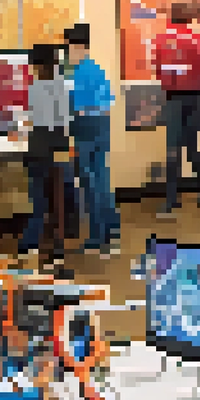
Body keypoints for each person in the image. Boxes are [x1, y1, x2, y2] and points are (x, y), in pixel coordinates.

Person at [63, 24, 119, 257]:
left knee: (89, 182)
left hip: (85, 130)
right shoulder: (97, 69)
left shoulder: (77, 73)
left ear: (77, 46)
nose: (66, 53)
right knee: (102, 178)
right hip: (101, 127)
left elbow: (72, 107)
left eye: (67, 47)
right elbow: (108, 102)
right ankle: (110, 230)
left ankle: (96, 237)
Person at [151, 0, 200, 219]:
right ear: (188, 17)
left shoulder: (162, 39)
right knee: (193, 145)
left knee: (173, 149)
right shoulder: (198, 39)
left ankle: (171, 199)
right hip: (195, 96)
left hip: (174, 97)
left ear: (171, 17)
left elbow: (158, 69)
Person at [20, 44, 72, 268]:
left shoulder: (36, 88)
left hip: (39, 149)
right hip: (58, 148)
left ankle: (30, 245)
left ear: (38, 65)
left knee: (39, 200)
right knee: (57, 202)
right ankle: (57, 251)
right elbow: (65, 120)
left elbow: (35, 119)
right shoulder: (63, 87)